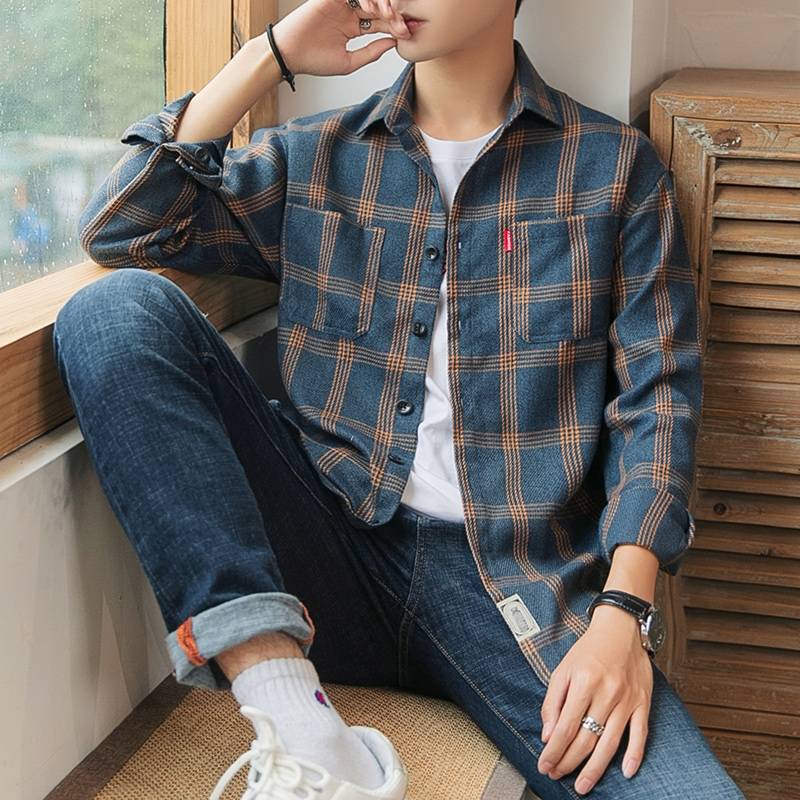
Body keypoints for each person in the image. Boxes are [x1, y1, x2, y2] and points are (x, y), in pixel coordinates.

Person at [53, 0, 748, 798]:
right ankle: (294, 709)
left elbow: (659, 403)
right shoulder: (315, 155)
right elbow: (123, 224)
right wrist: (269, 57)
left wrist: (624, 613)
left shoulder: (613, 169)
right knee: (114, 312)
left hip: (516, 584)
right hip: (327, 551)